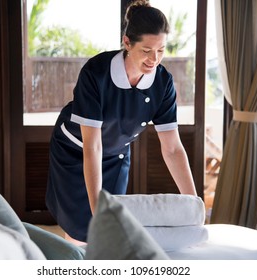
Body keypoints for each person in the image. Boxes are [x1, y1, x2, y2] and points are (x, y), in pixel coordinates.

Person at [46, 0, 197, 245]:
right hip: (76, 150)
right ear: (127, 42)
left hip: (115, 155)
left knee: (111, 229)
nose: (154, 59)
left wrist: (194, 205)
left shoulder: (162, 83)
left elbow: (172, 148)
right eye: (147, 50)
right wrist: (97, 212)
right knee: (80, 228)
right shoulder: (96, 73)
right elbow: (92, 146)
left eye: (161, 50)